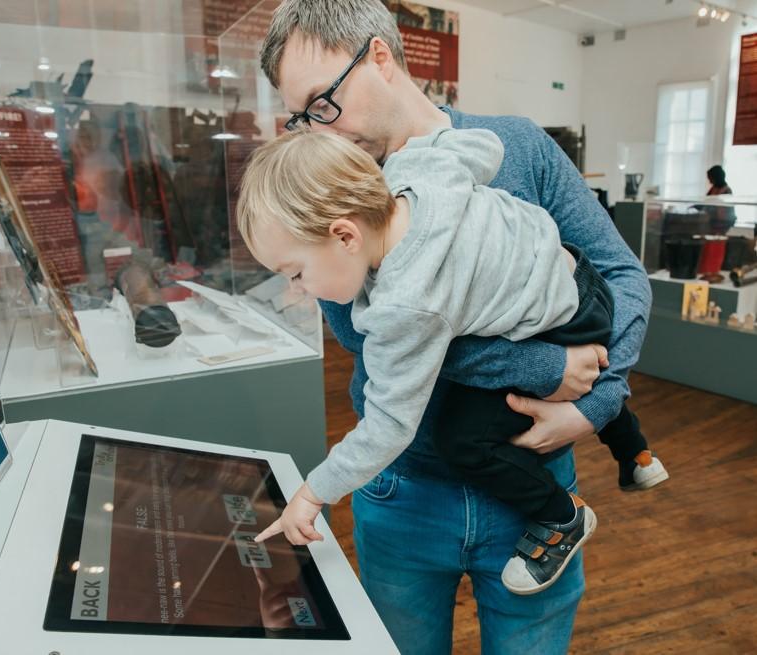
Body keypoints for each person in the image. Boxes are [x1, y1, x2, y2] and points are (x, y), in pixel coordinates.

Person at [254, 1, 653, 652]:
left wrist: (596, 406)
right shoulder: (330, 193)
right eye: (302, 118)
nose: (318, 133)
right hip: (403, 489)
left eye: (322, 104)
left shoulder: (514, 146)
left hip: (539, 481)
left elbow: (621, 275)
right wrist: (549, 370)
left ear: (379, 57)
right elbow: (371, 341)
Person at [239, 127, 667, 597]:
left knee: (463, 440)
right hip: (580, 280)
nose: (298, 290)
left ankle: (561, 516)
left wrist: (311, 493)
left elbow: (388, 425)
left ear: (345, 235)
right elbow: (486, 146)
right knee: (574, 376)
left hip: (560, 323)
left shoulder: (406, 305)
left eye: (297, 273)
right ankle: (636, 452)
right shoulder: (416, 170)